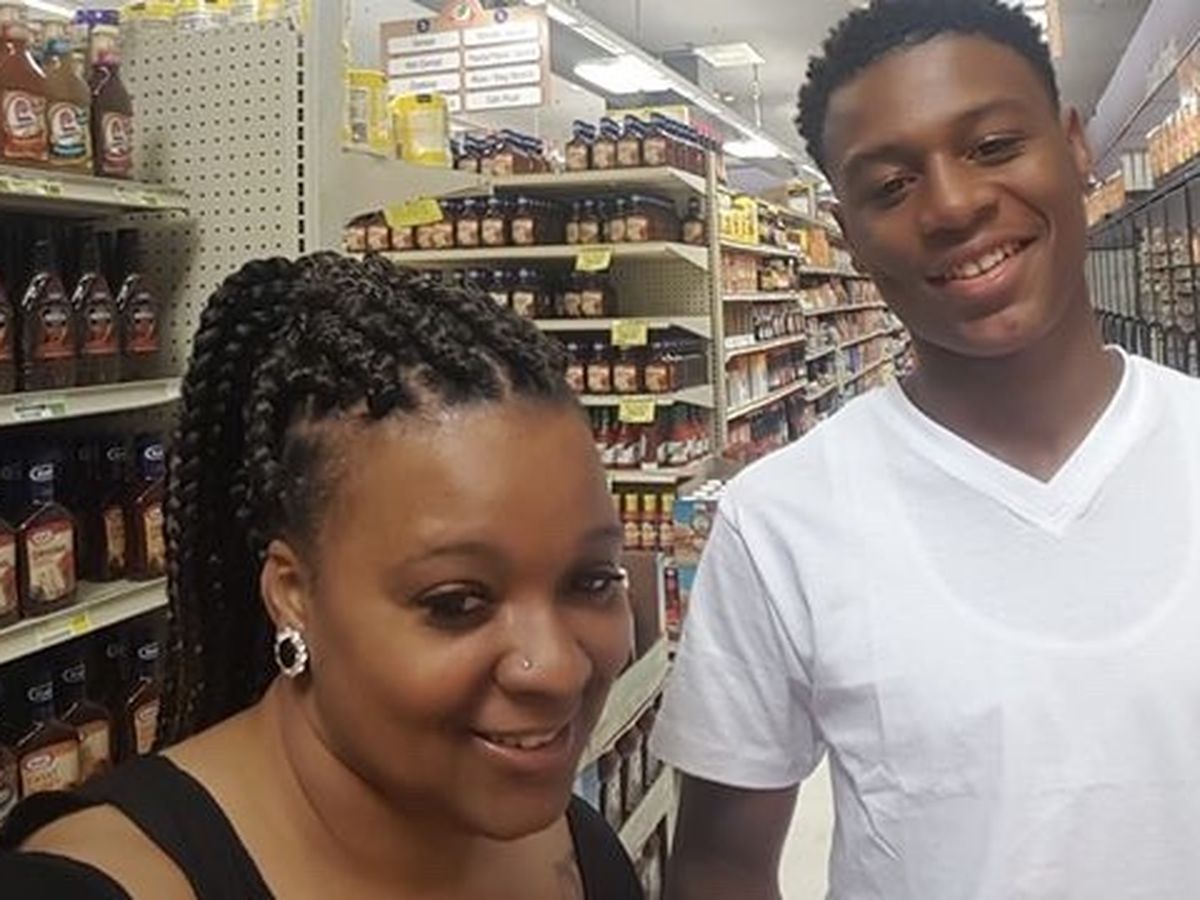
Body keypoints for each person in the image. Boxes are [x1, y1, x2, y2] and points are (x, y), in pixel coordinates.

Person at [653, 1, 1200, 898]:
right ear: (850, 236)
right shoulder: (779, 523)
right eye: (891, 186)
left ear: (1074, 147)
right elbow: (721, 864)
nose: (952, 205)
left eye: (993, 146)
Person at [0, 254, 644, 900]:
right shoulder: (97, 886)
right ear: (292, 595)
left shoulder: (578, 848)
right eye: (457, 603)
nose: (557, 669)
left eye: (592, 582)